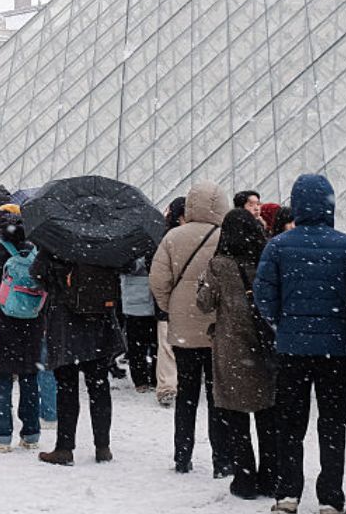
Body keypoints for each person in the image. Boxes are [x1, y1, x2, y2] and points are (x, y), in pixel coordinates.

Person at [255, 174, 346, 514]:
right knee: (333, 425)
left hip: (292, 349)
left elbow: (263, 296)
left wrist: (282, 325)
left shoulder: (278, 246)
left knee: (290, 424)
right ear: (329, 204)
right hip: (335, 350)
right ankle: (330, 498)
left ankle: (288, 494)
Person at [149, 180, 232, 476]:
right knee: (217, 397)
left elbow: (158, 281)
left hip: (183, 328)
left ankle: (182, 456)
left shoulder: (173, 237)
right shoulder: (225, 236)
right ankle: (222, 460)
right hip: (217, 327)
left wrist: (172, 307)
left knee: (186, 395)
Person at [197, 208, 277, 500]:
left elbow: (204, 303)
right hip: (264, 344)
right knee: (267, 414)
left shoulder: (219, 265)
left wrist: (201, 284)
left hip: (232, 347)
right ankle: (271, 476)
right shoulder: (267, 257)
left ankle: (245, 479)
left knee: (236, 416)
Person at [33, 249, 124, 466]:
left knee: (67, 387)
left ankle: (65, 448)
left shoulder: (56, 241)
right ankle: (103, 446)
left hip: (65, 323)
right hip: (99, 321)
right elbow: (123, 270)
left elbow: (37, 274)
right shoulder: (106, 242)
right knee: (99, 386)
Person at [0, 206, 45, 452]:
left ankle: (2, 435)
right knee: (29, 377)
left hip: (0, 320)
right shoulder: (34, 245)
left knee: (2, 377)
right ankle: (31, 433)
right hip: (32, 321)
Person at [156, 196, 186, 408]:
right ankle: (177, 385)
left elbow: (156, 273)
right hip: (188, 302)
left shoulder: (163, 238)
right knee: (183, 346)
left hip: (168, 301)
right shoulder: (204, 236)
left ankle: (168, 387)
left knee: (166, 346)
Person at [120, 255, 157, 392]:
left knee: (137, 346)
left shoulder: (128, 247)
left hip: (134, 302)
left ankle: (141, 380)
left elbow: (125, 267)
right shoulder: (155, 245)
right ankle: (153, 379)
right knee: (153, 345)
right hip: (151, 302)